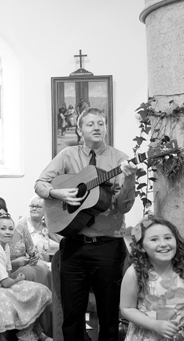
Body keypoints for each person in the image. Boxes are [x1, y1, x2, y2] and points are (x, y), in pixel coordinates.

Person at [34, 107, 137, 341]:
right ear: (80, 130)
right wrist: (57, 194)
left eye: (101, 123)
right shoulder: (67, 155)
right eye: (90, 124)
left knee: (109, 316)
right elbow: (40, 183)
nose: (97, 128)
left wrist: (129, 179)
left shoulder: (120, 159)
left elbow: (124, 207)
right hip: (73, 244)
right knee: (72, 316)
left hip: (108, 246)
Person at [120, 216, 184, 341]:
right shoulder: (135, 273)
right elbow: (127, 309)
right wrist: (154, 325)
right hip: (147, 337)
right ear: (142, 247)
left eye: (168, 238)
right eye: (154, 239)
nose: (163, 244)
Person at [0, 198, 53, 340]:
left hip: (25, 265)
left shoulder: (20, 228)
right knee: (29, 273)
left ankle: (46, 325)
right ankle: (34, 330)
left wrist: (34, 257)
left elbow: (32, 251)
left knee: (43, 270)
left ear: (6, 210)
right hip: (7, 274)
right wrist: (17, 263)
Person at [18, 197, 61, 263]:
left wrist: (49, 220)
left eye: (38, 207)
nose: (34, 208)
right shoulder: (23, 222)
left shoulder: (46, 226)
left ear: (45, 209)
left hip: (44, 264)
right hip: (29, 264)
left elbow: (60, 240)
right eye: (32, 206)